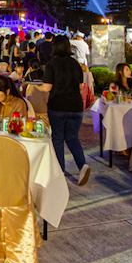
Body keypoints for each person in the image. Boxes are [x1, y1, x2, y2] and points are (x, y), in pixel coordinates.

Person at [40, 35, 90, 185]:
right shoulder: (75, 64)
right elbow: (81, 87)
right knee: (72, 138)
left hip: (58, 105)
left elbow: (47, 87)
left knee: (57, 138)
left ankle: (59, 171)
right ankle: (82, 165)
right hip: (75, 105)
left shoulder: (52, 64)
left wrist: (36, 86)